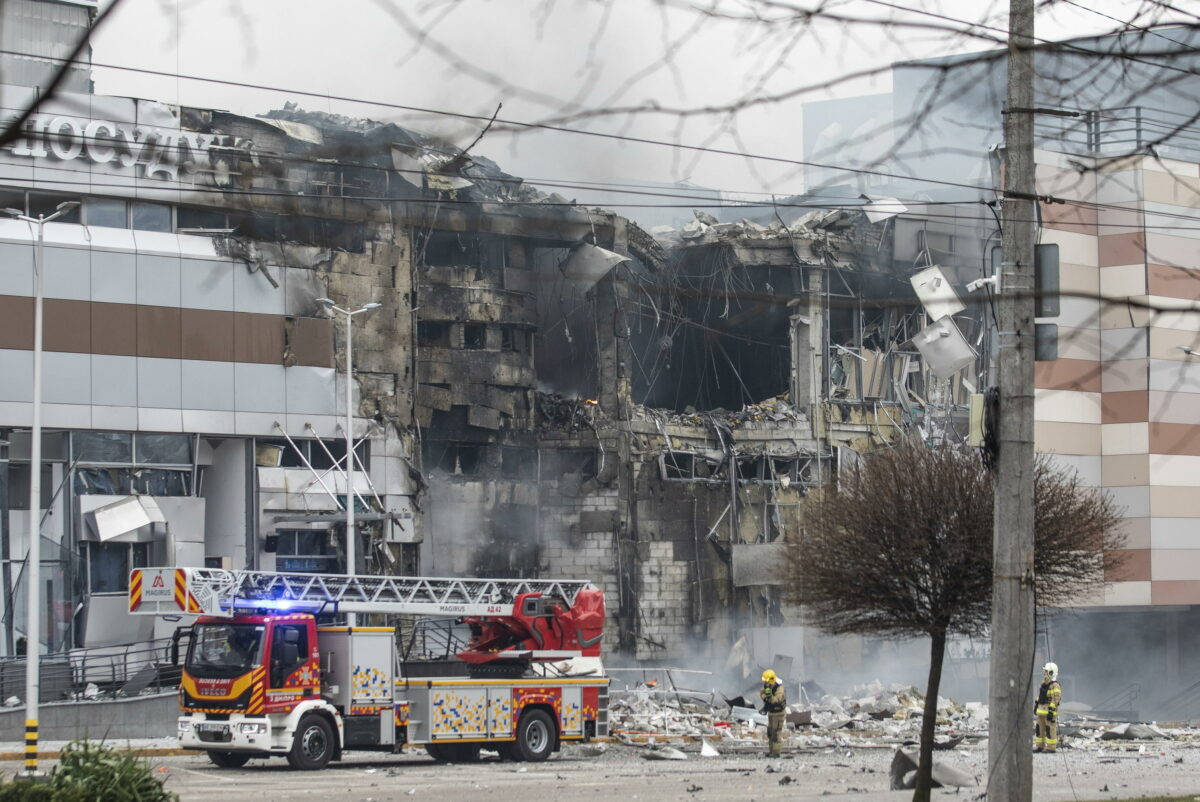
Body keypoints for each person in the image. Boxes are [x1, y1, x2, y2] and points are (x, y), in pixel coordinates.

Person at [760, 668, 787, 757]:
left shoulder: (779, 688)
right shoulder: (768, 686)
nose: (765, 683)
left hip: (778, 713)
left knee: (776, 733)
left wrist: (769, 697)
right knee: (770, 732)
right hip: (771, 713)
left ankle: (776, 753)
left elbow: (776, 700)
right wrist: (765, 697)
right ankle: (771, 751)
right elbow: (761, 692)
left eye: (767, 681)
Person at [1035, 662, 1062, 753]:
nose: (1044, 673)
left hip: (1049, 713)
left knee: (1050, 730)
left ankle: (1051, 748)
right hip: (1041, 712)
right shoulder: (1043, 684)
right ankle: (1040, 746)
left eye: (1046, 671)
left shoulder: (1055, 685)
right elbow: (1040, 696)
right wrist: (1036, 705)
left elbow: (1056, 699)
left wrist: (1051, 711)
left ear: (1051, 672)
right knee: (1039, 729)